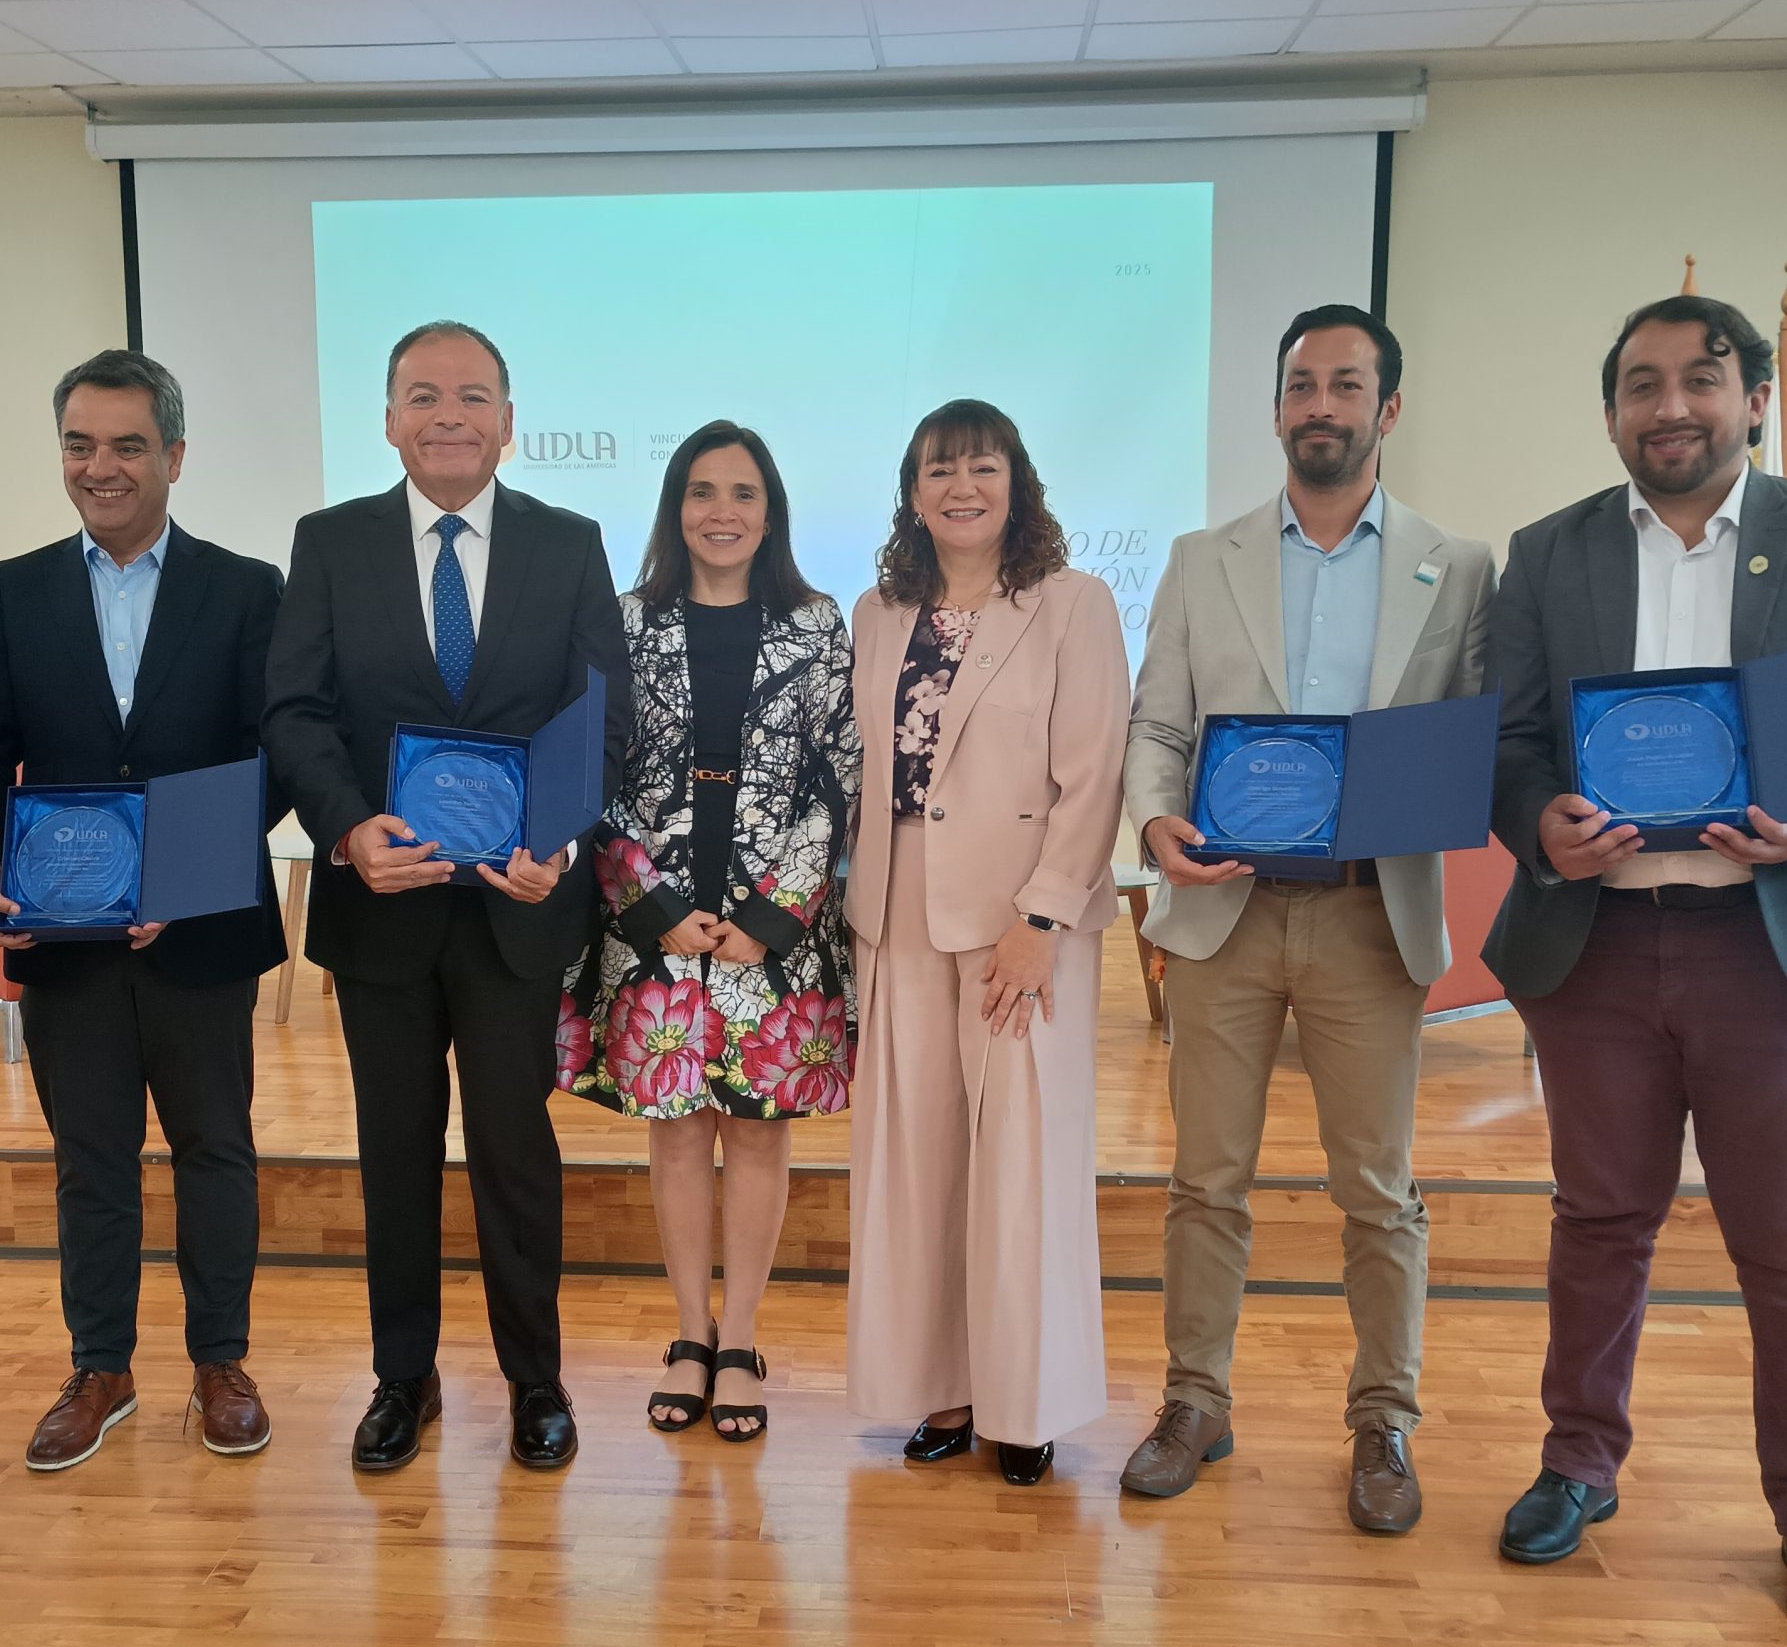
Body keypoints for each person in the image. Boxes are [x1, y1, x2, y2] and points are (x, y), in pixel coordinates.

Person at [1483, 295, 1787, 1643]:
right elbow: (1511, 745)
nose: (1670, 407)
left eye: (1700, 380)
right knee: (1599, 1222)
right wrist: (1536, 820)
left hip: (1779, 947)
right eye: (1640, 385)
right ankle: (1579, 1463)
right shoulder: (1551, 552)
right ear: (1611, 413)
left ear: (1754, 399)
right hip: (1597, 948)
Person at [1119, 306, 1494, 1531]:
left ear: (1387, 409)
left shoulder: (1457, 566)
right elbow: (1158, 723)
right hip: (1223, 914)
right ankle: (1194, 1400)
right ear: (1277, 407)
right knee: (1204, 1182)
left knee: (1376, 1189)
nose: (1317, 405)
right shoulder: (1202, 557)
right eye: (1299, 385)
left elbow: (1471, 740)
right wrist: (1157, 822)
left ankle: (1383, 1419)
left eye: (1343, 385)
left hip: (1367, 919)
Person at [264, 320, 630, 1474]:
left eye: (472, 396)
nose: (448, 416)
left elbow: (603, 717)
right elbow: (295, 712)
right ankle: (402, 1379)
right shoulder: (331, 543)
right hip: (382, 908)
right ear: (388, 420)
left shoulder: (568, 545)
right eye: (423, 395)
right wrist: (344, 826)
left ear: (508, 422)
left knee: (515, 1155)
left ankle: (535, 1382)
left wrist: (557, 839)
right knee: (395, 1152)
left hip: (519, 911)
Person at [0, 349, 288, 1472]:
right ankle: (101, 1368)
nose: (102, 467)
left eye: (128, 445)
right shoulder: (17, 587)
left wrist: (180, 876)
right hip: (66, 937)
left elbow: (275, 756)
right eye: (80, 445)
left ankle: (220, 1364)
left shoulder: (247, 589)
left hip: (203, 934)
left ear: (173, 457)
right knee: (89, 1159)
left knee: (215, 1149)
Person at [843, 398, 1129, 1488]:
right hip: (895, 911)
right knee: (916, 1167)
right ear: (912, 495)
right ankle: (944, 1389)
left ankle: (1026, 1404)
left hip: (1021, 919)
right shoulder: (879, 612)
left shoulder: (1073, 603)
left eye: (980, 467)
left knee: (1020, 1166)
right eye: (938, 470)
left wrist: (1043, 917)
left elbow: (1095, 773)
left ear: (1017, 483)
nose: (960, 487)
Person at [560, 421, 859, 1443]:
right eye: (701, 491)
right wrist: (648, 904)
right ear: (674, 509)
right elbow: (594, 767)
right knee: (680, 1132)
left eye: (742, 492)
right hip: (655, 928)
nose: (720, 511)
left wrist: (775, 914)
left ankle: (743, 1341)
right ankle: (690, 1334)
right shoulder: (625, 622)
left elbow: (841, 774)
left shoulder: (816, 624)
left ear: (769, 513)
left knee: (759, 1132)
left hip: (777, 933)